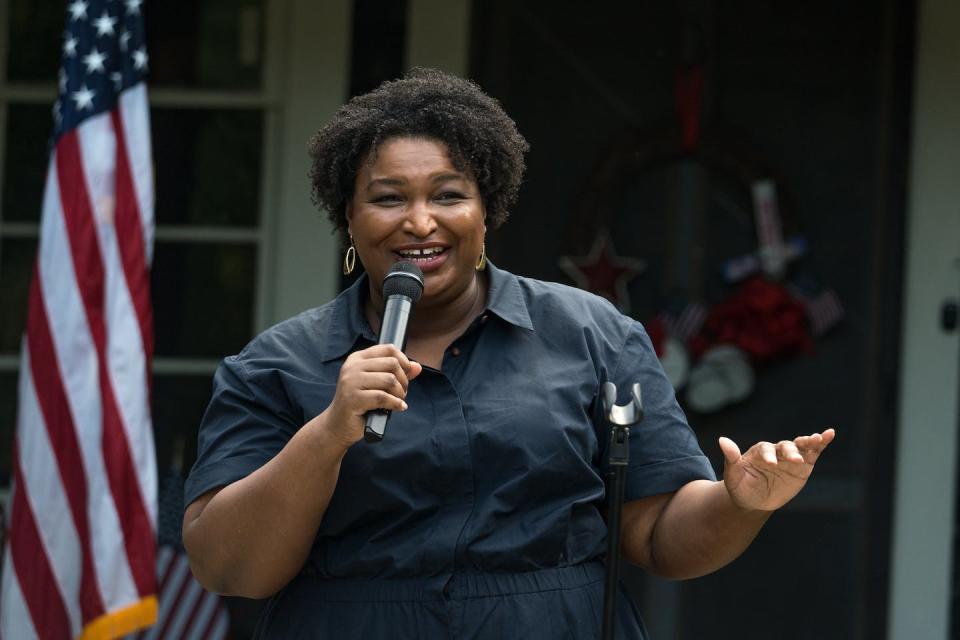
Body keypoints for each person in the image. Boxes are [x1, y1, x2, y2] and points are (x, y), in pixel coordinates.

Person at [182, 68, 834, 639]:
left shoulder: (594, 335)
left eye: (447, 194)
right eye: (387, 198)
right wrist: (325, 435)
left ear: (485, 210)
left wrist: (738, 503)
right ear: (347, 218)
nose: (419, 221)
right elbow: (229, 567)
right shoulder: (277, 365)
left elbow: (658, 534)